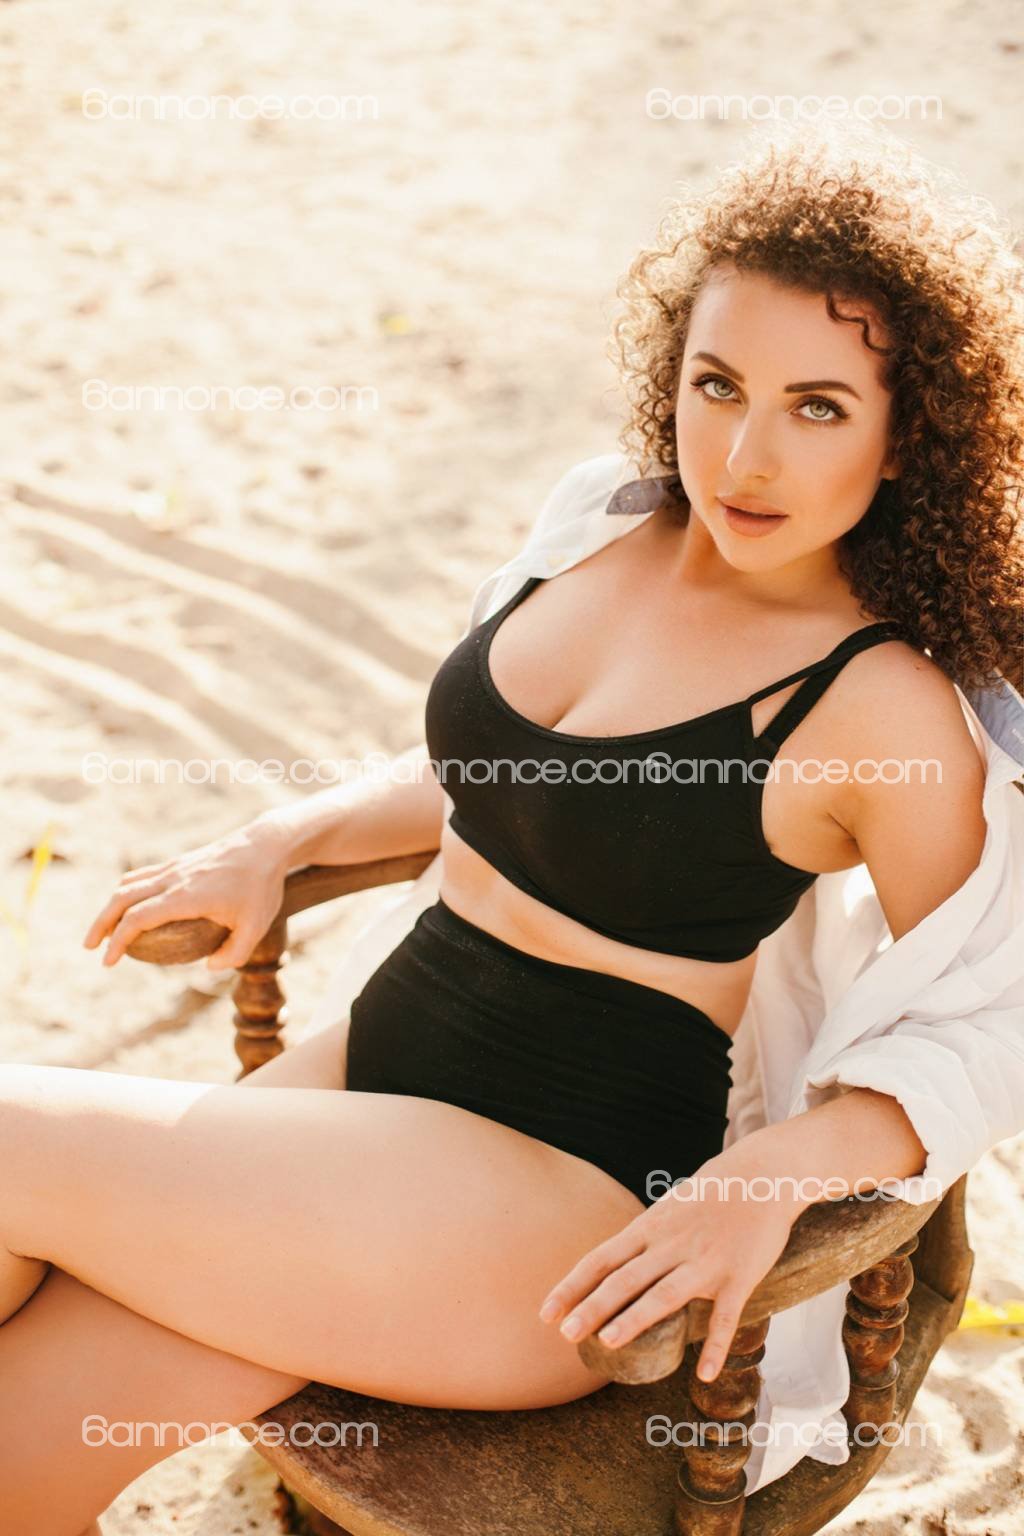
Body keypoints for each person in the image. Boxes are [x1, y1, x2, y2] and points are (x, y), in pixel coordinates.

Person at [4, 120, 1022, 1533]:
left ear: (908, 435)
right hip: (370, 1085)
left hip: (542, 1207)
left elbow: (988, 1011)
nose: (744, 454)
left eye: (818, 407)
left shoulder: (875, 704)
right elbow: (502, 773)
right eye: (717, 384)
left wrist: (767, 1180)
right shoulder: (602, 523)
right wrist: (284, 841)